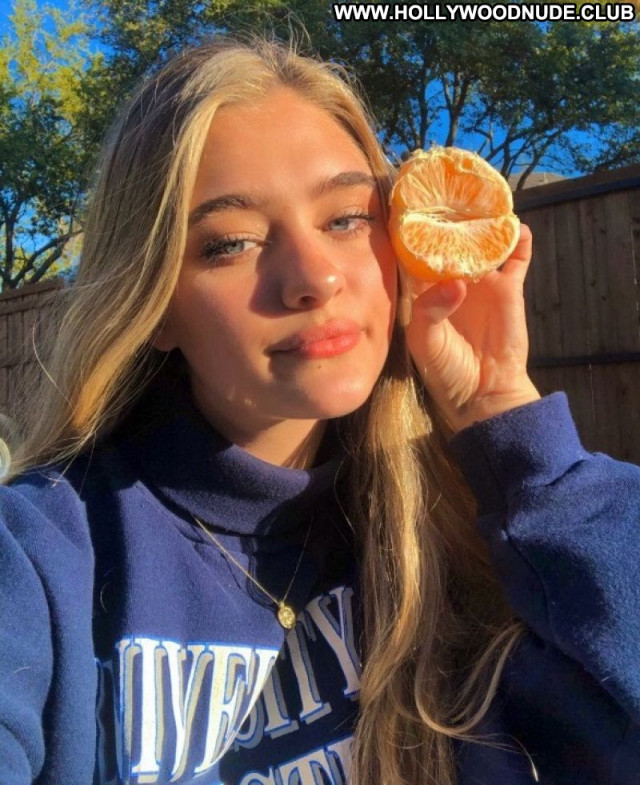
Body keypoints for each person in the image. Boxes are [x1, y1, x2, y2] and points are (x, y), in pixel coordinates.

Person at [1, 37, 638, 785]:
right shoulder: (41, 553)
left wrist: (509, 423)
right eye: (231, 243)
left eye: (345, 219)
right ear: (155, 303)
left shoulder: (470, 523)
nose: (314, 278)